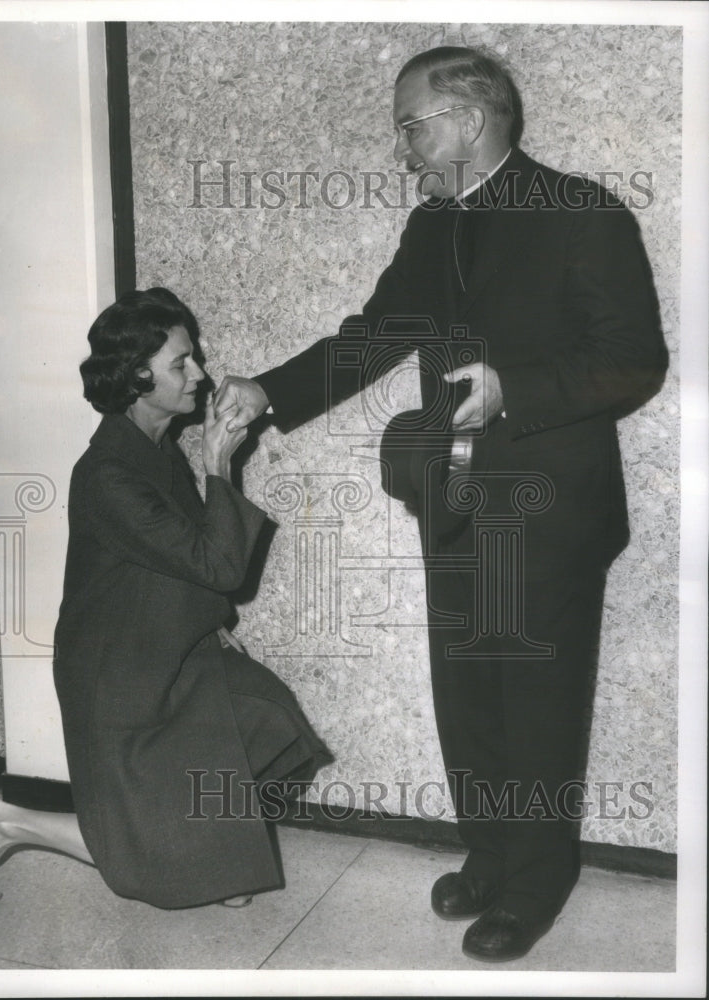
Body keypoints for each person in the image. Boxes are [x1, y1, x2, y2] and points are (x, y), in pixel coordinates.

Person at [214, 46, 667, 960]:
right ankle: (490, 856)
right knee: (467, 694)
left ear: (468, 119)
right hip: (452, 495)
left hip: (549, 511)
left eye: (410, 126)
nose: (401, 149)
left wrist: (512, 390)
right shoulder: (433, 225)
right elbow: (375, 336)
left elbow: (634, 361)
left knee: (535, 701)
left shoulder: (583, 213)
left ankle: (536, 883)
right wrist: (267, 392)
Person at [0, 287, 332, 910]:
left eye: (194, 357)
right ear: (138, 378)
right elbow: (220, 566)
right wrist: (219, 465)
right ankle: (1, 821)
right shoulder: (107, 475)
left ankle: (206, 855)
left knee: (269, 722)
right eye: (181, 363)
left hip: (165, 649)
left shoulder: (155, 447)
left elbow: (185, 561)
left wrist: (212, 624)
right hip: (117, 677)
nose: (200, 373)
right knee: (153, 854)